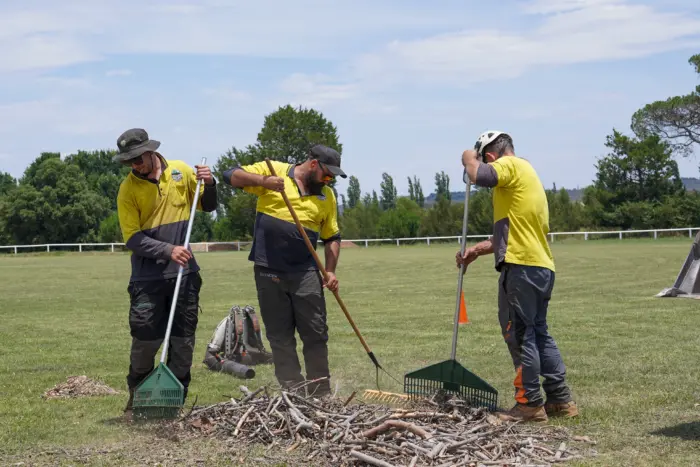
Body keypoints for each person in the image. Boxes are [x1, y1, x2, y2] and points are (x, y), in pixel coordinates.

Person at [457, 130, 578, 423]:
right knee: (539, 332)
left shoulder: (510, 165)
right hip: (540, 266)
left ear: (490, 157)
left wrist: (466, 158)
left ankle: (529, 404)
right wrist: (477, 249)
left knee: (521, 335)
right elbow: (516, 231)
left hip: (521, 268)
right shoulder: (525, 175)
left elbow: (478, 174)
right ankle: (560, 399)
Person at [222, 144, 345, 397]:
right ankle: (294, 392)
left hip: (306, 273)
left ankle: (320, 392)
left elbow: (332, 236)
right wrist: (264, 182)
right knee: (280, 337)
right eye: (327, 174)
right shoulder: (274, 171)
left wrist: (330, 271)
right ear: (313, 164)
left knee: (316, 332)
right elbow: (229, 174)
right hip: (269, 271)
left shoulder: (327, 196)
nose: (329, 179)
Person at [113, 128, 218, 417]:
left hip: (185, 274)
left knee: (183, 343)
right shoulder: (128, 190)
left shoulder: (181, 172)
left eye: (137, 158)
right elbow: (132, 239)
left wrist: (209, 183)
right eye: (129, 161)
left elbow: (208, 205)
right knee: (145, 340)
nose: (134, 165)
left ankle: (173, 405)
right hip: (147, 277)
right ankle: (137, 400)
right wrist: (167, 250)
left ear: (150, 151)